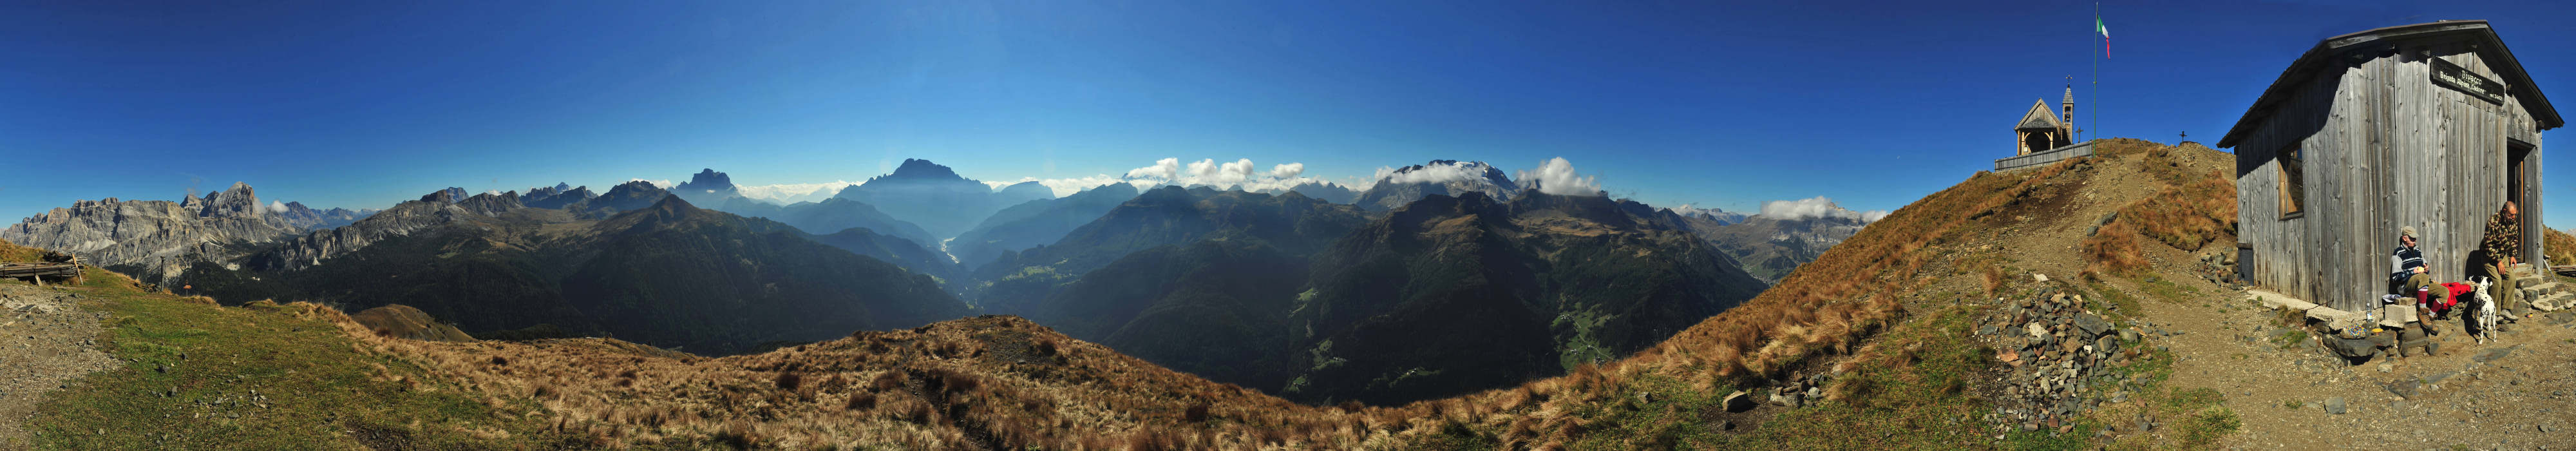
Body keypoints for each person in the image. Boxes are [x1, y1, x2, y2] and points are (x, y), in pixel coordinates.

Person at [2474, 201, 2524, 324]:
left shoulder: (2513, 221)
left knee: (2511, 277)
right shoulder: (2493, 222)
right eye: (2511, 215)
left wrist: (2512, 255)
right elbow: (2488, 244)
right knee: (2497, 281)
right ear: (2505, 211)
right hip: (2489, 257)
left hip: (2504, 256)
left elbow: (2514, 240)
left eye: (2515, 215)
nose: (2513, 217)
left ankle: (2507, 309)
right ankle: (2495, 313)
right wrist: (2498, 262)